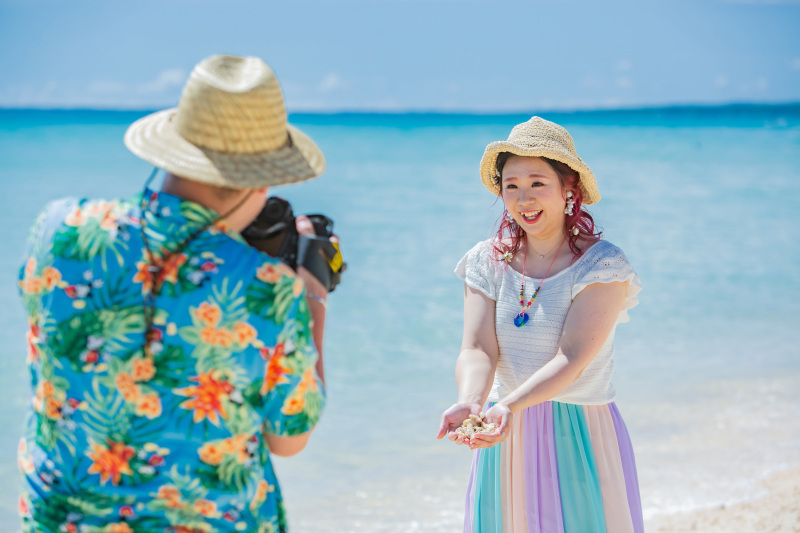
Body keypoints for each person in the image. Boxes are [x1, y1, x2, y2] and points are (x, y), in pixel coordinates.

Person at [17, 55, 333, 533]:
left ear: (170, 149)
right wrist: (311, 295)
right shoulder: (268, 287)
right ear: (263, 177)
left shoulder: (58, 230)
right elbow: (289, 439)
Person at [436, 117, 644, 533]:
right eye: (511, 185)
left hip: (578, 430)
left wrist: (507, 406)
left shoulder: (602, 264)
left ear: (569, 189)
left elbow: (573, 358)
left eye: (537, 183)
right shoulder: (486, 260)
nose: (523, 198)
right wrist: (473, 403)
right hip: (502, 430)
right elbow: (477, 349)